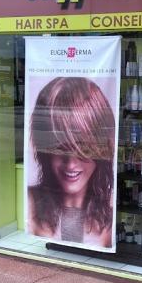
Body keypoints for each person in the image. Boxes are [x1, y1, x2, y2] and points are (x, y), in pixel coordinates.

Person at [27, 76, 115, 248]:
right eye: (60, 148)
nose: (71, 163)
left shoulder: (112, 210)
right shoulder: (30, 204)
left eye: (82, 148)